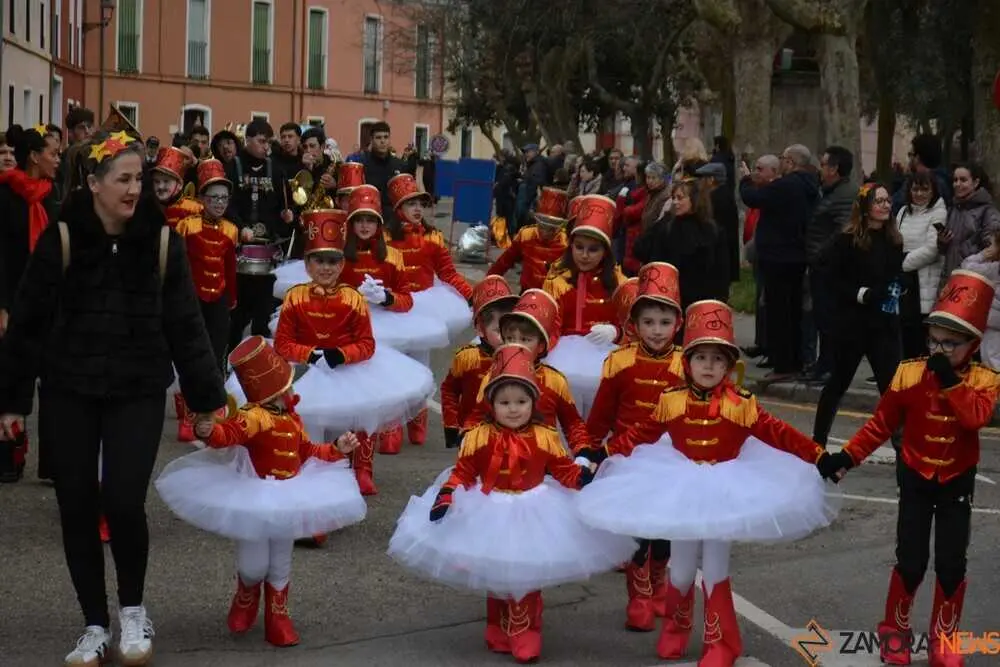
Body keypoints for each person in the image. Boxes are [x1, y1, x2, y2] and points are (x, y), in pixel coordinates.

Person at [0, 131, 226, 666]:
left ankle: (132, 612)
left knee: (123, 501)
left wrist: (205, 401)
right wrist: (11, 400)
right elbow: (27, 323)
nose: (133, 190)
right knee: (75, 503)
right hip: (68, 388)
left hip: (138, 388)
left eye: (139, 179)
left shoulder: (161, 240)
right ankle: (94, 623)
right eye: (122, 179)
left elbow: (187, 327)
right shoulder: (60, 238)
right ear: (94, 183)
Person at [577, 300, 839, 665]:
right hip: (681, 484)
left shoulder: (741, 404)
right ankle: (676, 629)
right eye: (702, 358)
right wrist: (599, 455)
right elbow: (639, 435)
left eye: (718, 360)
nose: (709, 367)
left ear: (730, 367)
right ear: (689, 362)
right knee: (682, 569)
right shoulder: (671, 400)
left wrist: (820, 456)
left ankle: (721, 644)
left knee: (715, 569)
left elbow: (780, 434)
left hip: (724, 491)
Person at [388, 344, 635, 664]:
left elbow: (562, 470)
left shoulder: (545, 436)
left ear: (533, 402)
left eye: (521, 401)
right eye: (505, 402)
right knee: (493, 563)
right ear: (491, 403)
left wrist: (584, 478)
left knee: (524, 570)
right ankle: (497, 622)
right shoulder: (478, 436)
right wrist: (447, 494)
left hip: (532, 507)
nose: (514, 409)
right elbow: (464, 472)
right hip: (489, 505)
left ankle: (525, 628)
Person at [821, 270, 1000, 666]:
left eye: (951, 343)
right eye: (934, 339)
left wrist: (950, 380)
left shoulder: (985, 381)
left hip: (957, 480)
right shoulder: (908, 372)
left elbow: (974, 419)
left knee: (952, 563)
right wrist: (847, 458)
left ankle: (945, 639)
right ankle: (895, 630)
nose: (939, 348)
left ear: (973, 344)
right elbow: (880, 424)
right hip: (916, 475)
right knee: (912, 559)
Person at [155, 337, 368, 648]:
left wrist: (337, 448)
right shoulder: (254, 416)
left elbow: (307, 450)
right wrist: (209, 430)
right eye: (288, 387)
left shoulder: (292, 419)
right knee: (254, 565)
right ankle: (247, 591)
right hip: (255, 498)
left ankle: (278, 615)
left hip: (288, 497)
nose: (293, 391)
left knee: (281, 562)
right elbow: (228, 433)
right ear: (276, 393)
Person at [264, 202, 434, 497]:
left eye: (332, 262)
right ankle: (312, 472)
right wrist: (311, 354)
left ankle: (362, 467)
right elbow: (283, 342)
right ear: (307, 265)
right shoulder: (295, 298)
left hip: (348, 367)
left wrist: (341, 354)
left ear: (342, 265)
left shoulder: (353, 299)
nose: (326, 268)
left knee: (359, 411)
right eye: (319, 262)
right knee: (307, 419)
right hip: (308, 370)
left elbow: (366, 343)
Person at [584, 262, 686, 632]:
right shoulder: (619, 361)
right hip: (628, 458)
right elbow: (601, 414)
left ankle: (659, 584)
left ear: (677, 324)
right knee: (637, 533)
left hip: (674, 460)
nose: (656, 331)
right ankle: (639, 596)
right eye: (648, 322)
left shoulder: (687, 365)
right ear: (634, 324)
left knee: (665, 532)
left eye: (664, 322)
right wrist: (589, 449)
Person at [384, 173, 474, 447]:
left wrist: (473, 296)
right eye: (411, 204)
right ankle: (391, 427)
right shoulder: (385, 238)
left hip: (423, 308)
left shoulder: (433, 237)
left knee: (421, 368)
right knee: (394, 369)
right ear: (399, 207)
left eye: (421, 204)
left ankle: (417, 420)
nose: (417, 209)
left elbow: (448, 273)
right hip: (394, 307)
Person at [812, 184, 903, 448]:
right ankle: (818, 442)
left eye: (888, 201)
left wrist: (900, 285)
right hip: (851, 325)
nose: (886, 205)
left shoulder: (894, 239)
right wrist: (860, 294)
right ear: (865, 207)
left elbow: (892, 275)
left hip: (884, 325)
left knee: (891, 389)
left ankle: (902, 446)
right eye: (879, 201)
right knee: (838, 383)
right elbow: (828, 275)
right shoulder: (846, 239)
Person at [0, 125, 61, 482]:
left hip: (50, 301)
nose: (57, 159)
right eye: (52, 153)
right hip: (15, 301)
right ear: (35, 157)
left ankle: (53, 462)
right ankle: (10, 456)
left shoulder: (52, 196)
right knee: (13, 379)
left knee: (55, 384)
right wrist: (3, 306)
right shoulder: (7, 196)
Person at [462, 288, 592, 453]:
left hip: (544, 464)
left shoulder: (555, 380)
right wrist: (468, 435)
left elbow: (572, 423)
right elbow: (478, 416)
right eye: (510, 338)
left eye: (525, 339)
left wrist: (583, 451)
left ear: (540, 346)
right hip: (501, 462)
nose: (517, 344)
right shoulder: (494, 375)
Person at [542, 195, 627, 416]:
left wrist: (616, 332)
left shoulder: (619, 282)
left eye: (593, 249)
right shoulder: (557, 279)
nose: (585, 255)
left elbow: (636, 326)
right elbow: (550, 324)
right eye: (579, 247)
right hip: (563, 355)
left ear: (605, 252)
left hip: (606, 355)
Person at [440, 275, 519, 448]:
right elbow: (449, 390)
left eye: (511, 329)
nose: (507, 337)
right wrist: (452, 425)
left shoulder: (522, 358)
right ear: (480, 329)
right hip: (470, 437)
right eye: (498, 331)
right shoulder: (468, 359)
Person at [898, 171, 947, 359]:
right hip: (904, 283)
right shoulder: (903, 212)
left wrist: (901, 263)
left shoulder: (938, 212)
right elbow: (895, 240)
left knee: (922, 340)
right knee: (904, 336)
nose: (919, 194)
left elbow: (931, 250)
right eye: (915, 189)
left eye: (924, 189)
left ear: (933, 191)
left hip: (924, 283)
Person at [487, 187, 570, 292]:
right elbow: (505, 261)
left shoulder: (566, 242)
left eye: (552, 229)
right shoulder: (526, 235)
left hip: (553, 295)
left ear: (559, 227)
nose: (546, 232)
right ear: (537, 222)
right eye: (542, 226)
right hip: (527, 291)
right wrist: (489, 280)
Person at [151, 146, 202, 229]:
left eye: (166, 181)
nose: (160, 186)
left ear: (179, 184)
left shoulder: (195, 209)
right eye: (156, 181)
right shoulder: (147, 207)